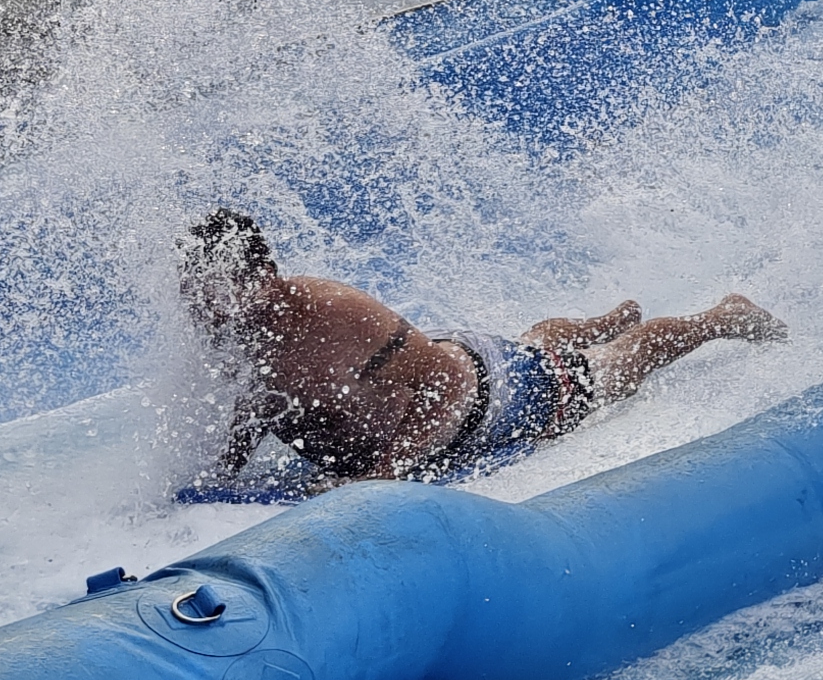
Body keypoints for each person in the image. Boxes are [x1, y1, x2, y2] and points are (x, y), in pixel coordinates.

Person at [179, 207, 783, 488]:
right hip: (439, 359)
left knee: (606, 374)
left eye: (207, 289)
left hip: (485, 394)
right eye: (189, 289)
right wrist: (214, 479)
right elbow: (263, 401)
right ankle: (589, 323)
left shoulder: (333, 314)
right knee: (538, 346)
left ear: (258, 278)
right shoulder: (240, 330)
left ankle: (718, 317)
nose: (196, 304)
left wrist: (386, 469)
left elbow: (440, 387)